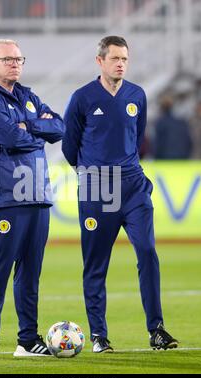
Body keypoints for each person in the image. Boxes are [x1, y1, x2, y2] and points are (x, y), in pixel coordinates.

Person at [62, 36, 178, 353]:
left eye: (125, 58)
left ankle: (157, 329)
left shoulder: (136, 95)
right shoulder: (82, 98)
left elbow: (137, 138)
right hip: (98, 188)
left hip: (133, 186)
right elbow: (69, 148)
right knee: (96, 264)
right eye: (114, 58)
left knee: (147, 252)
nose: (121, 63)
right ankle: (99, 335)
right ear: (100, 61)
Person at [0, 39, 64, 359]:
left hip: (37, 194)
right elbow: (10, 136)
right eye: (7, 59)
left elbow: (60, 127)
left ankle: (27, 339)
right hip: (5, 195)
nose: (14, 64)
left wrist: (29, 125)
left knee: (30, 271)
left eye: (18, 58)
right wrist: (35, 132)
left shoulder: (28, 96)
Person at [153, 95, 192, 159]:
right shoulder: (182, 122)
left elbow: (157, 144)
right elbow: (189, 142)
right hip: (182, 158)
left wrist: (156, 157)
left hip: (166, 159)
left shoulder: (161, 122)